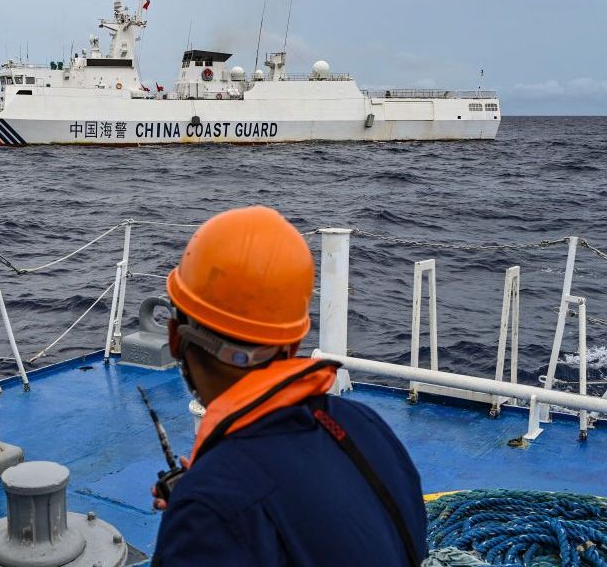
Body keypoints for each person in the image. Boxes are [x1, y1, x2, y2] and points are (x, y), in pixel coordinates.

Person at [151, 206, 427, 567]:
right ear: (293, 341)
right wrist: (212, 487)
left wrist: (204, 505)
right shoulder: (364, 424)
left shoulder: (208, 508)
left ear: (174, 338)